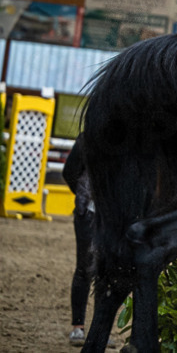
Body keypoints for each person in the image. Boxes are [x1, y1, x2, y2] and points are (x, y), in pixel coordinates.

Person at [62, 141, 93, 347]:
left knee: (108, 273)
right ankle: (78, 326)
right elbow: (69, 173)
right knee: (84, 268)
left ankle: (100, 329)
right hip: (87, 212)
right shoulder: (85, 140)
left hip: (114, 217)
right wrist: (83, 193)